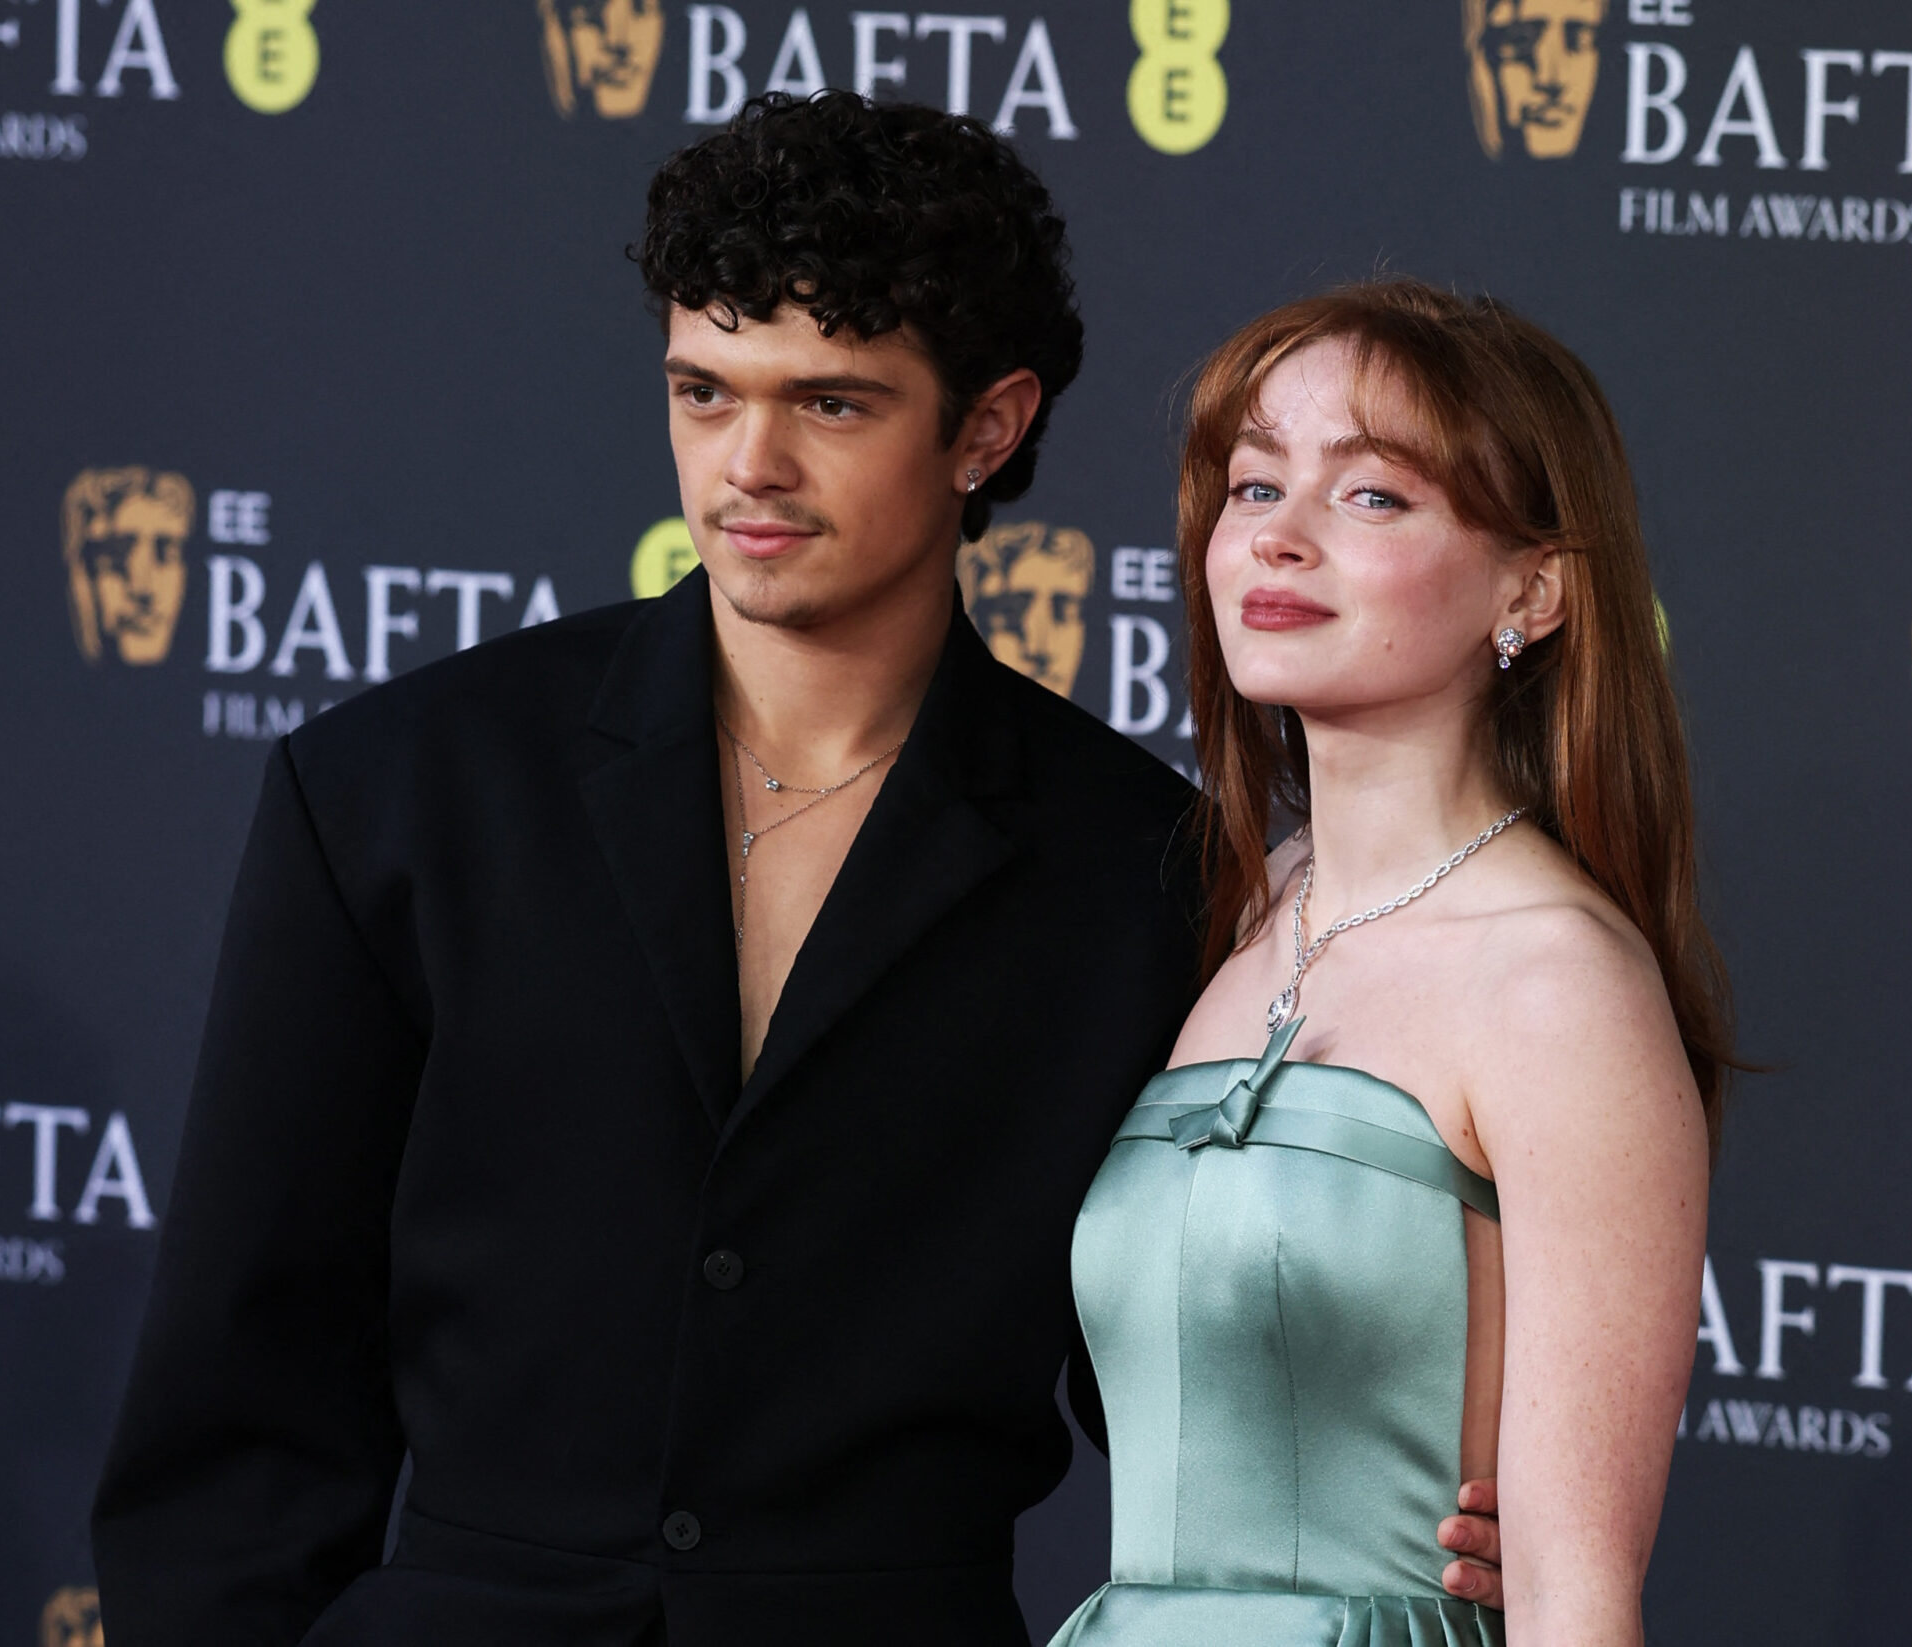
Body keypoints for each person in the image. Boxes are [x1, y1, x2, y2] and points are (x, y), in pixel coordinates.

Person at [89, 98, 1502, 1646]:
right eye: (704, 391)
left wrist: (1409, 1520)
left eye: (831, 405)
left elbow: (1190, 1364)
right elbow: (242, 1399)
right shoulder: (405, 790)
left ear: (989, 426)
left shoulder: (1140, 870)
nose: (746, 466)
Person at [1051, 280, 1733, 1646]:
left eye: (1371, 498)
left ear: (1534, 590)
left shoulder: (1555, 982)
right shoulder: (1232, 918)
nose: (1278, 543)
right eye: (1253, 489)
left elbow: (1573, 1595)